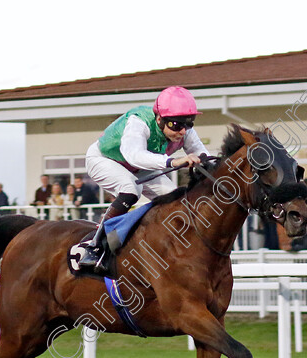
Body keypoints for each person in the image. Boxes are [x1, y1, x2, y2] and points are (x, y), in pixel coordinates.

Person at [76, 86, 212, 273]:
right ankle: (95, 245)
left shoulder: (183, 130)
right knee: (131, 189)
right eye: (176, 125)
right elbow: (134, 155)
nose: (182, 131)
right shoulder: (138, 122)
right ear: (159, 118)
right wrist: (173, 161)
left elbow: (201, 152)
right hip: (103, 159)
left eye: (188, 124)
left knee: (175, 198)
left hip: (139, 168)